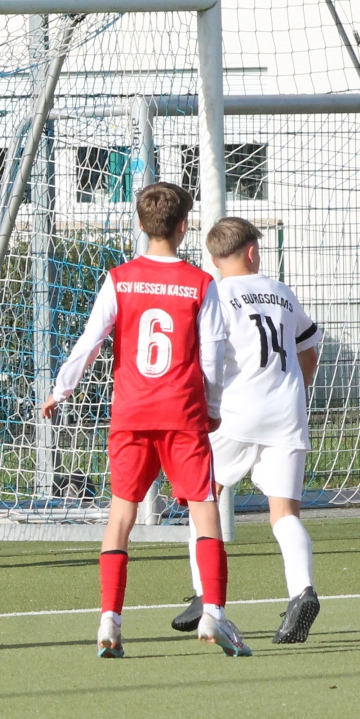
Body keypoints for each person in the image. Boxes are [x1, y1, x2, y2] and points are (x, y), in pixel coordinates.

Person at [41, 182, 246, 659]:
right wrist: (213, 407)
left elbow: (91, 340)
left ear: (140, 224)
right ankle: (214, 612)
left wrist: (61, 389)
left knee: (121, 515)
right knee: (204, 508)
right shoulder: (200, 283)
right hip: (182, 413)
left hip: (131, 414)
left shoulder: (119, 279)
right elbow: (213, 354)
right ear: (183, 227)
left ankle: (109, 620)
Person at [183, 217, 327, 644]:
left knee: (203, 502)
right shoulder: (281, 292)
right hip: (286, 413)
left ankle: (205, 595)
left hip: (233, 412)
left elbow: (207, 359)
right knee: (284, 514)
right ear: (251, 252)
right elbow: (309, 353)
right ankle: (302, 591)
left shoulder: (214, 294)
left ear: (214, 259)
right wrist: (295, 393)